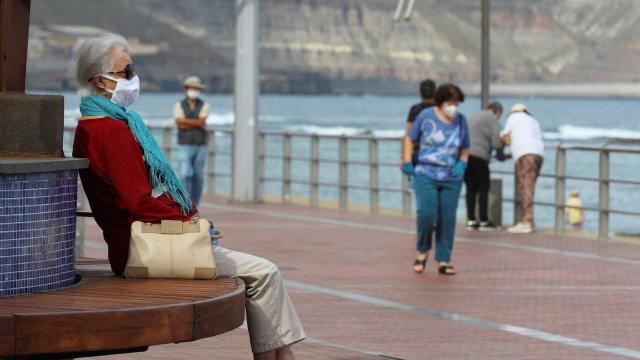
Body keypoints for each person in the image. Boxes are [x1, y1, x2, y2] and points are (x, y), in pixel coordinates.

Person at [70, 33, 304, 360]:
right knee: (265, 273)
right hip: (143, 251)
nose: (133, 79)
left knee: (259, 272)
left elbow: (132, 198)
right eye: (126, 71)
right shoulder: (111, 131)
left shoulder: (90, 126)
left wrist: (186, 214)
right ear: (100, 79)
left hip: (132, 245)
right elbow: (137, 202)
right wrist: (190, 219)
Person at [402, 83, 470, 275]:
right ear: (441, 102)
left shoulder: (461, 121)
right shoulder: (426, 117)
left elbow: (465, 148)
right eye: (451, 103)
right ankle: (422, 251)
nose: (454, 107)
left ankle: (443, 260)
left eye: (457, 103)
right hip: (426, 173)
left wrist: (462, 163)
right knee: (427, 214)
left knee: (447, 219)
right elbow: (409, 138)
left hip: (451, 177)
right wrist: (407, 161)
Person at [501, 103, 545, 234]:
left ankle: (526, 222)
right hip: (539, 154)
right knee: (530, 186)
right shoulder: (533, 120)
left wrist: (500, 153)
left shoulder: (514, 117)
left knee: (525, 187)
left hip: (525, 155)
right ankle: (529, 221)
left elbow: (505, 136)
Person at [401, 79, 436, 242]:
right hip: (438, 157)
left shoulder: (415, 110)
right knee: (438, 190)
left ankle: (421, 229)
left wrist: (404, 158)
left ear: (420, 93)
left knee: (421, 194)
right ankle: (437, 222)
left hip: (418, 157)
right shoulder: (439, 109)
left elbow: (408, 135)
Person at [464, 101, 505, 231]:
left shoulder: (473, 116)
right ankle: (483, 221)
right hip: (480, 157)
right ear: (497, 112)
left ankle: (471, 220)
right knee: (483, 188)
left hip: (465, 156)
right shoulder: (493, 120)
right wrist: (501, 151)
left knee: (470, 189)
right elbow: (495, 142)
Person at [174, 76, 209, 205]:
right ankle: (185, 202)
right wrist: (197, 123)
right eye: (191, 88)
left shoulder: (204, 104)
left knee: (198, 176)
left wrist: (186, 122)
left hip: (201, 144)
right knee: (184, 174)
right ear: (186, 89)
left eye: (196, 88)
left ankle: (195, 204)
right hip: (184, 144)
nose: (194, 90)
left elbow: (201, 121)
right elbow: (179, 123)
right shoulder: (179, 105)